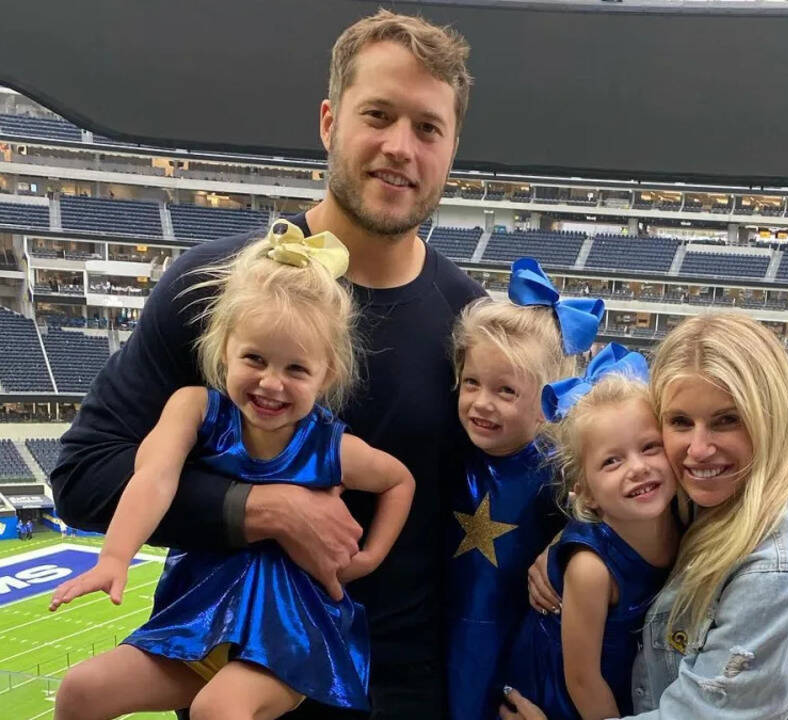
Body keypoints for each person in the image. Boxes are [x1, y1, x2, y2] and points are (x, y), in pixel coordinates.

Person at [48, 10, 482, 719]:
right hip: (220, 669)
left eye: (428, 127)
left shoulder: (473, 328)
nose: (400, 147)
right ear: (329, 122)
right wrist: (261, 510)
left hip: (397, 688)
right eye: (377, 115)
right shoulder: (213, 286)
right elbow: (84, 475)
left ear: (452, 147)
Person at [48, 224, 415, 719]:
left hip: (293, 631)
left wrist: (369, 558)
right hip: (200, 616)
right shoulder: (194, 409)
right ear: (225, 351)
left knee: (218, 710)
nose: (271, 383)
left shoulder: (331, 446)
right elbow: (154, 477)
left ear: (326, 375)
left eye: (296, 369)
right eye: (255, 359)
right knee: (80, 691)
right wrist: (115, 557)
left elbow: (398, 480)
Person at [508, 313, 788, 719]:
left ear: (771, 418)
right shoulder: (705, 486)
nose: (698, 450)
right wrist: (567, 543)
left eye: (727, 420)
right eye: (679, 422)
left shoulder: (783, 573)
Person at [445, 258, 603, 720]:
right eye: (471, 383)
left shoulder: (559, 468)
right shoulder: (449, 449)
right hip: (444, 634)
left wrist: (561, 543)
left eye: (506, 392)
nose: (481, 403)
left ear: (548, 400)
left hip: (521, 644)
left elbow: (603, 526)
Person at [504, 345, 678, 720]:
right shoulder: (591, 569)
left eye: (650, 447)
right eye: (612, 461)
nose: (638, 468)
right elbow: (582, 679)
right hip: (564, 697)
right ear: (585, 494)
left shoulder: (681, 516)